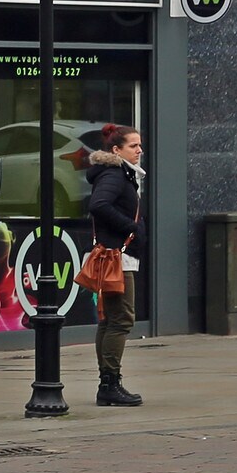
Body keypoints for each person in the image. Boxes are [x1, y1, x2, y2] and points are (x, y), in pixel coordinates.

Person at [87, 123, 146, 407]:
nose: (139, 151)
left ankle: (108, 382)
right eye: (133, 146)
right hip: (116, 258)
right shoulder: (114, 175)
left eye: (139, 145)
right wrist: (131, 226)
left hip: (114, 255)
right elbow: (99, 205)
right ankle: (109, 383)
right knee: (121, 319)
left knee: (110, 319)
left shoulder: (120, 174)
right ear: (116, 150)